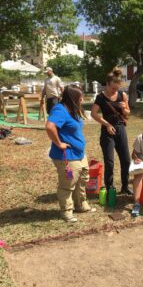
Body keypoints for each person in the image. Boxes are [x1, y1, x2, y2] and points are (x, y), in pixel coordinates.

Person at [46, 85, 96, 222]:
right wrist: (59, 143)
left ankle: (81, 205)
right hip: (66, 155)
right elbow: (50, 127)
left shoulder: (72, 109)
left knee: (82, 179)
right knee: (68, 183)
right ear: (73, 98)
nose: (82, 100)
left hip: (79, 153)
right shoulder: (60, 109)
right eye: (80, 98)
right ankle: (67, 211)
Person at [91, 68, 132, 195]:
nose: (115, 90)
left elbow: (128, 113)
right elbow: (93, 114)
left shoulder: (122, 95)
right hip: (107, 130)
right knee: (109, 162)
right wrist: (107, 124)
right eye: (113, 88)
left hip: (120, 129)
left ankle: (125, 186)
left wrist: (124, 108)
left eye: (117, 88)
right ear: (107, 84)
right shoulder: (101, 97)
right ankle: (109, 188)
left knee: (126, 160)